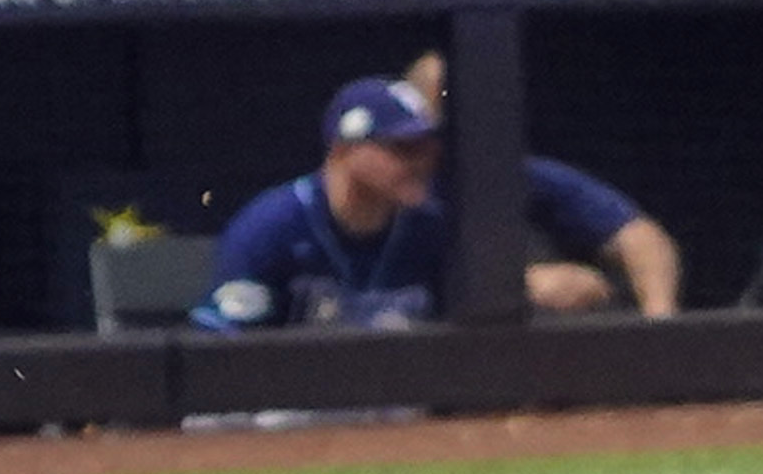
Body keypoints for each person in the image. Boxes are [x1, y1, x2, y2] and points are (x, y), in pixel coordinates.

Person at [195, 74, 674, 328]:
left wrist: (526, 284)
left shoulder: (430, 220)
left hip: (403, 413)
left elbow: (478, 301)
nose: (421, 160)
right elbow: (220, 349)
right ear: (344, 151)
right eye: (401, 148)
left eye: (425, 146)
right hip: (290, 416)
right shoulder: (272, 224)